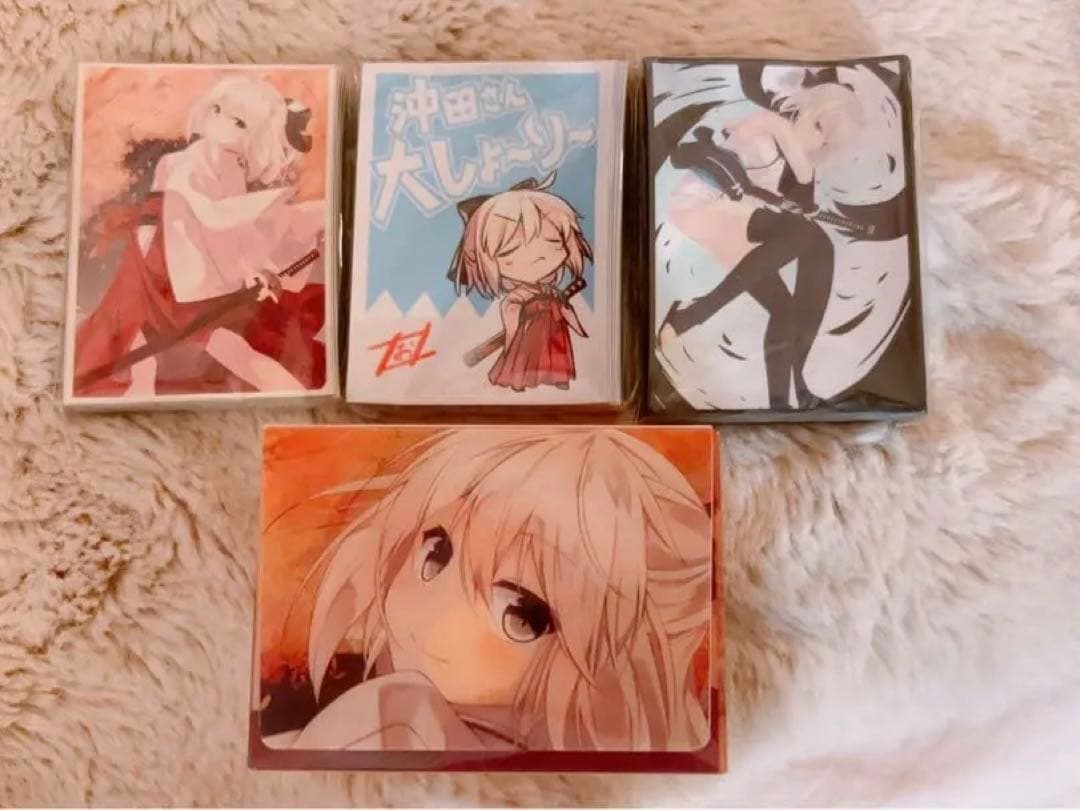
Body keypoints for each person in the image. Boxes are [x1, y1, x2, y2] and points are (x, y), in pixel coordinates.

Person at [265, 427, 712, 752]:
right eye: (435, 552)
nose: (438, 610)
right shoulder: (391, 716)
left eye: (519, 613)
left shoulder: (399, 717)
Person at [74, 74, 326, 397]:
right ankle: (139, 383)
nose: (220, 122)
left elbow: (233, 232)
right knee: (134, 324)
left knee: (224, 342)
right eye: (217, 109)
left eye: (238, 122)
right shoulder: (183, 162)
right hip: (161, 263)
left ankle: (290, 392)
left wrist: (253, 270)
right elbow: (211, 214)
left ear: (256, 137)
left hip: (198, 265)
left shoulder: (232, 168)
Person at [448, 173, 592, 392]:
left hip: (553, 334)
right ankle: (519, 381)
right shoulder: (517, 296)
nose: (540, 257)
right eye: (511, 251)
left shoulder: (551, 291)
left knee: (555, 355)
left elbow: (565, 310)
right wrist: (511, 337)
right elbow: (510, 311)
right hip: (527, 337)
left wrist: (575, 324)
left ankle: (557, 379)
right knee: (523, 359)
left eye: (553, 241)